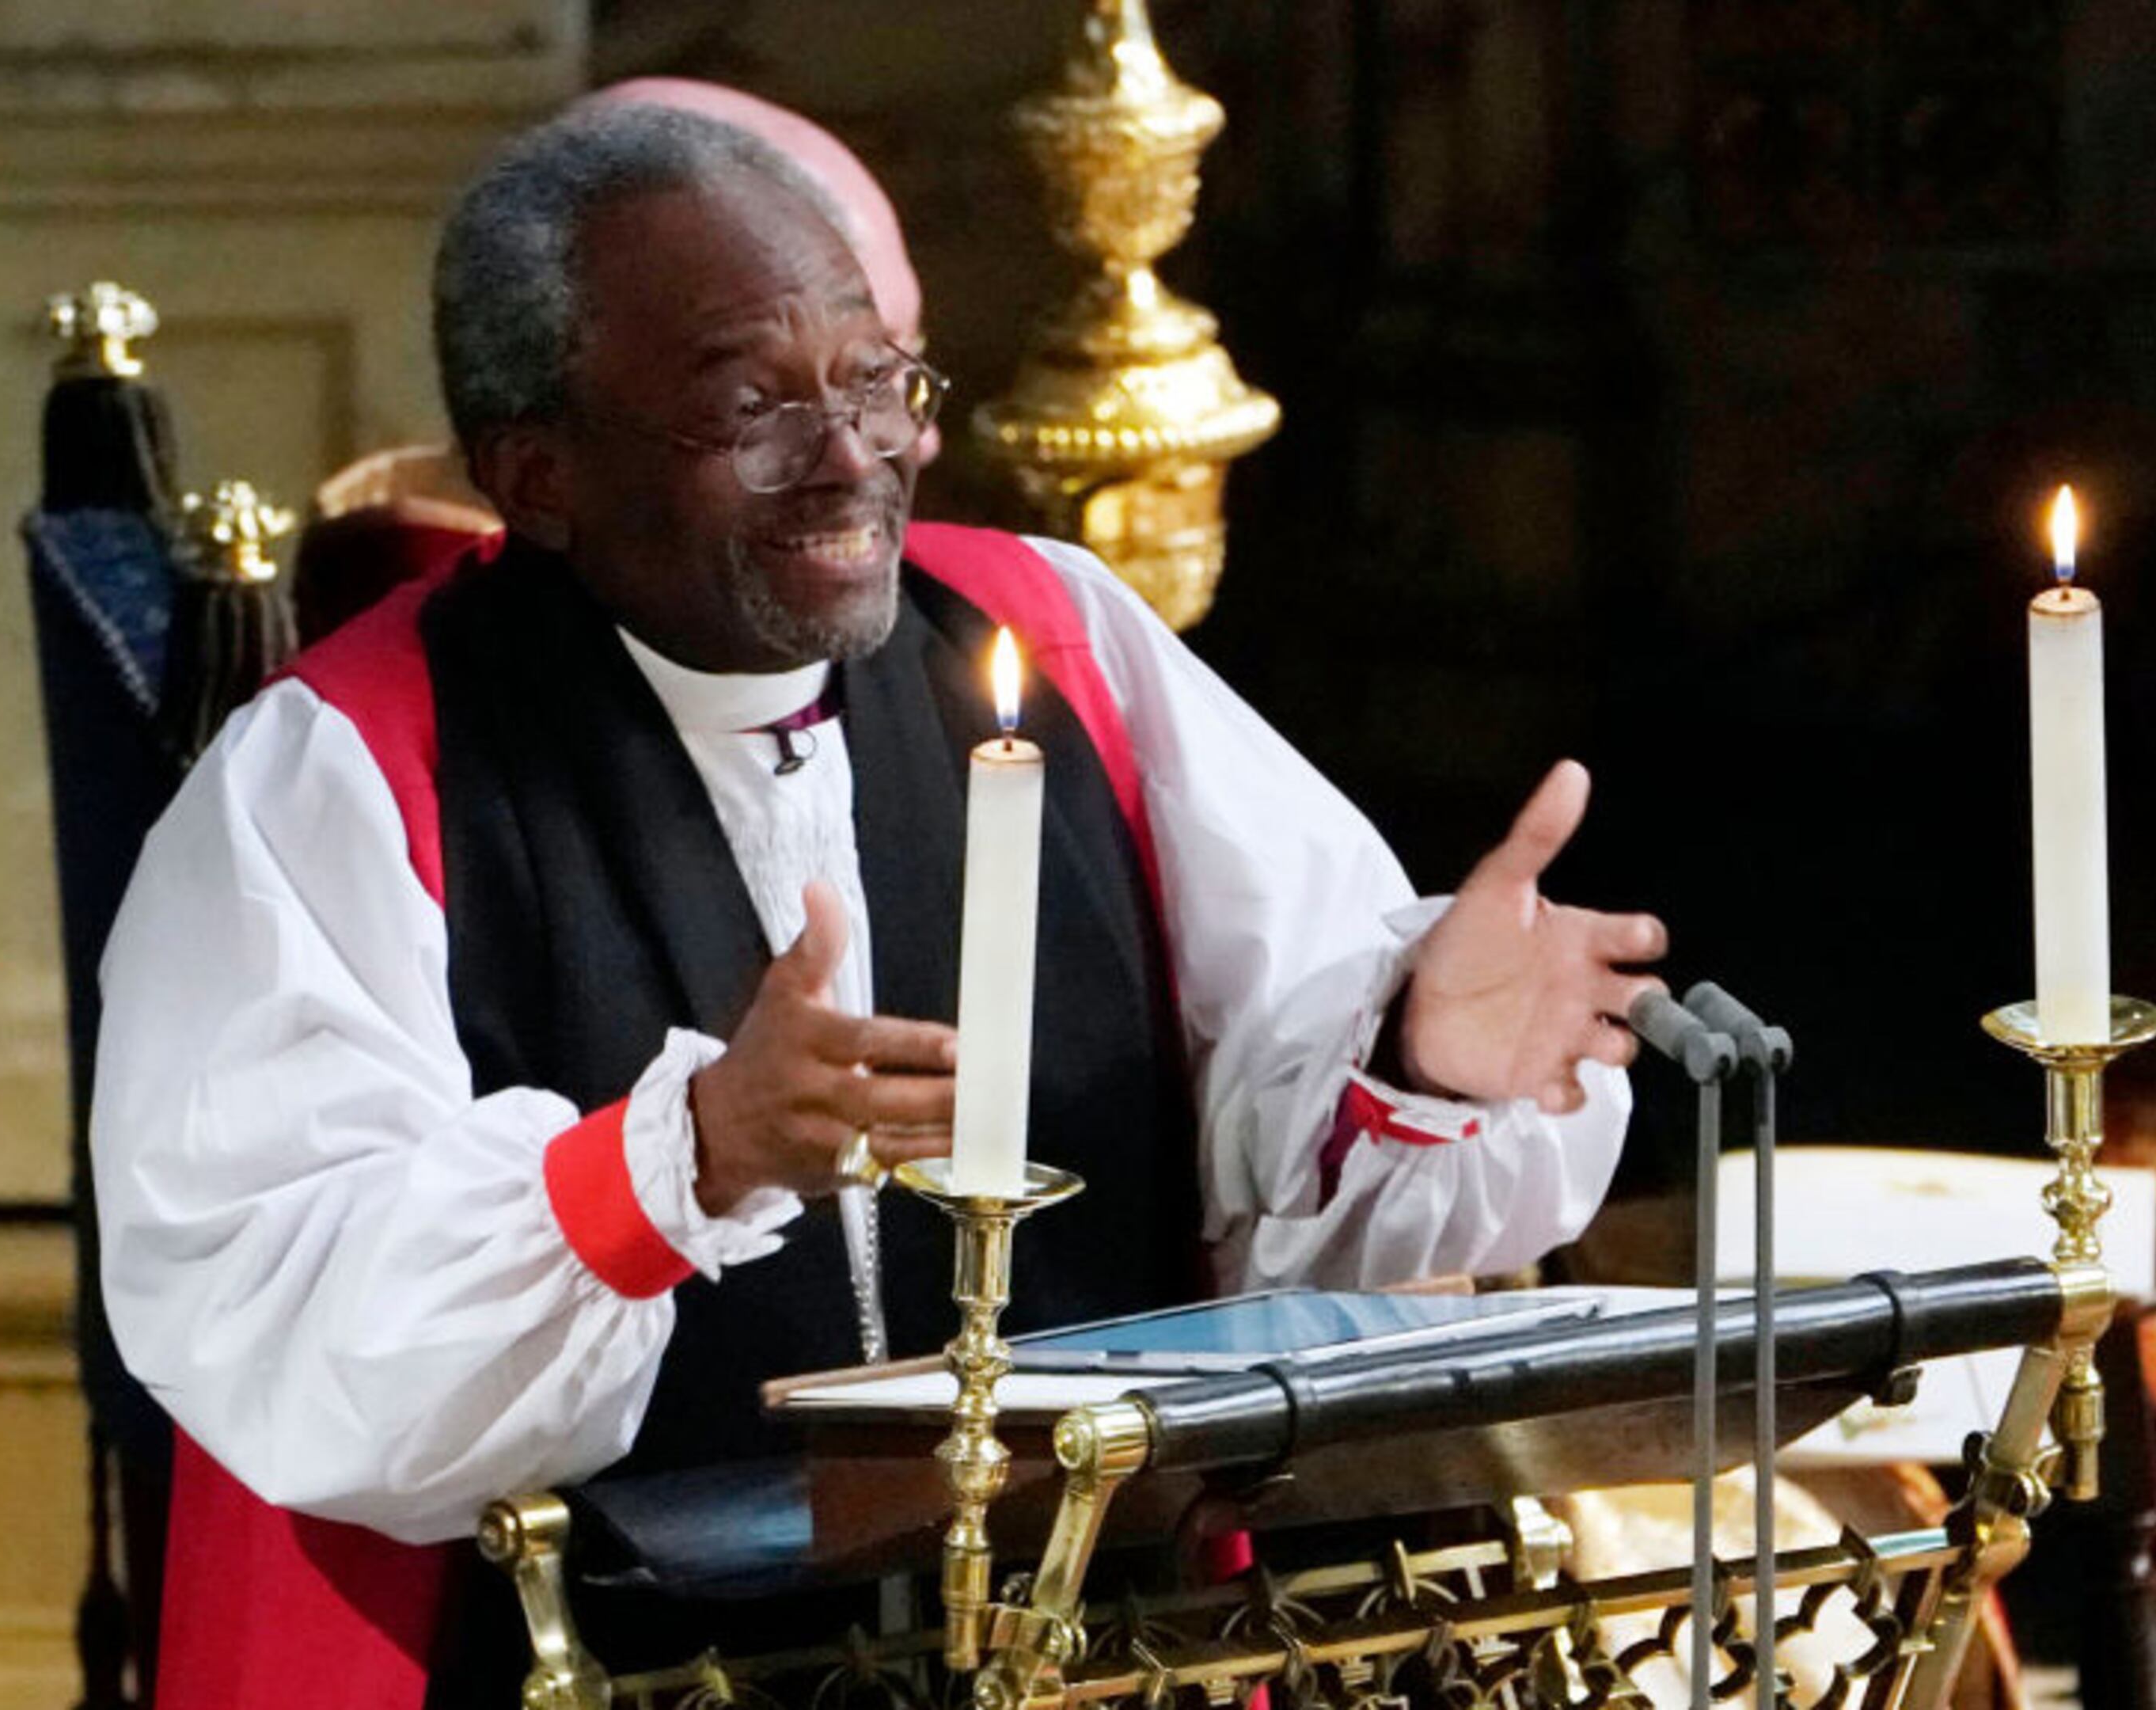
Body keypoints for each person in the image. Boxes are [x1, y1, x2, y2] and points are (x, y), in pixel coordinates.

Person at [93, 98, 1668, 1708]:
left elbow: (1271, 1175)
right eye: (753, 404)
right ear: (538, 472)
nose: (852, 454)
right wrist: (674, 1162)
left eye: (872, 378)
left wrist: (1418, 1060)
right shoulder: (342, 769)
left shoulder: (1059, 639)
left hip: (1084, 1657)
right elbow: (280, 1312)